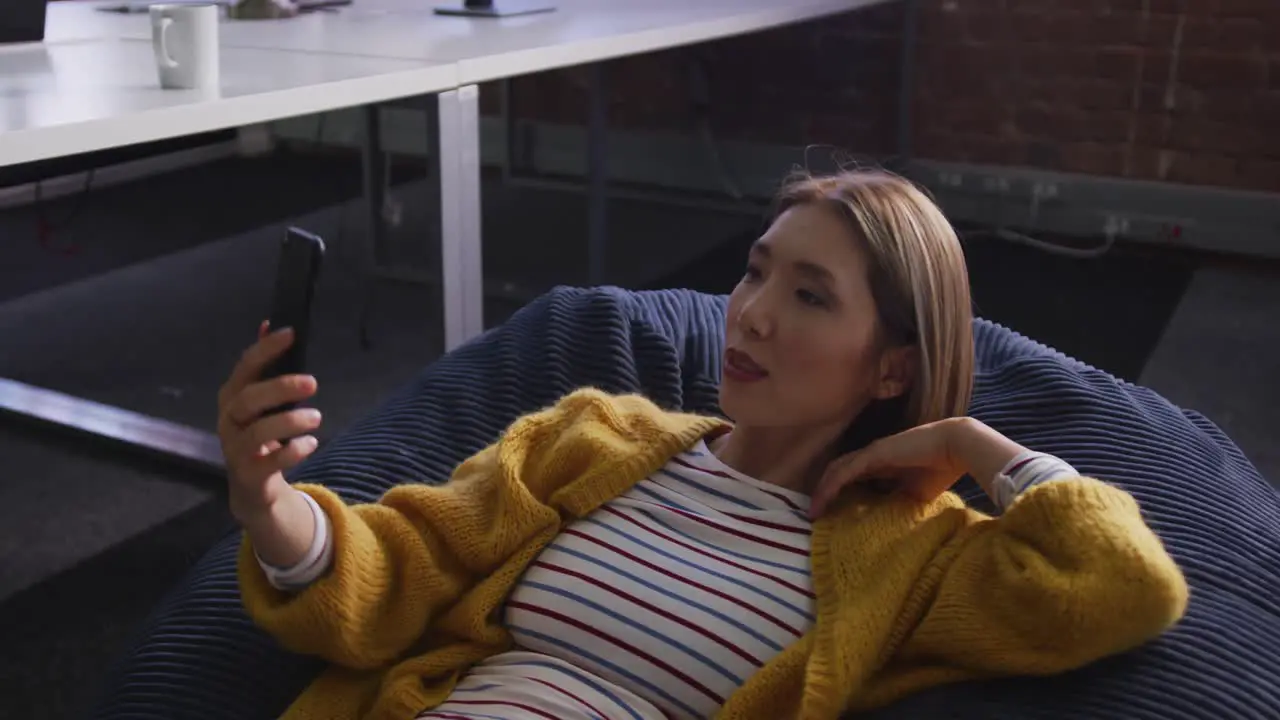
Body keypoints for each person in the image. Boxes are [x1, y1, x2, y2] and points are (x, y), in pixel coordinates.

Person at [219, 169, 1188, 720]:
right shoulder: (594, 439)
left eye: (809, 296)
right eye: (754, 273)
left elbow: (1120, 588)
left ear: (891, 368)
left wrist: (977, 447)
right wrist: (271, 508)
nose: (751, 316)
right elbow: (403, 564)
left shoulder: (912, 554)